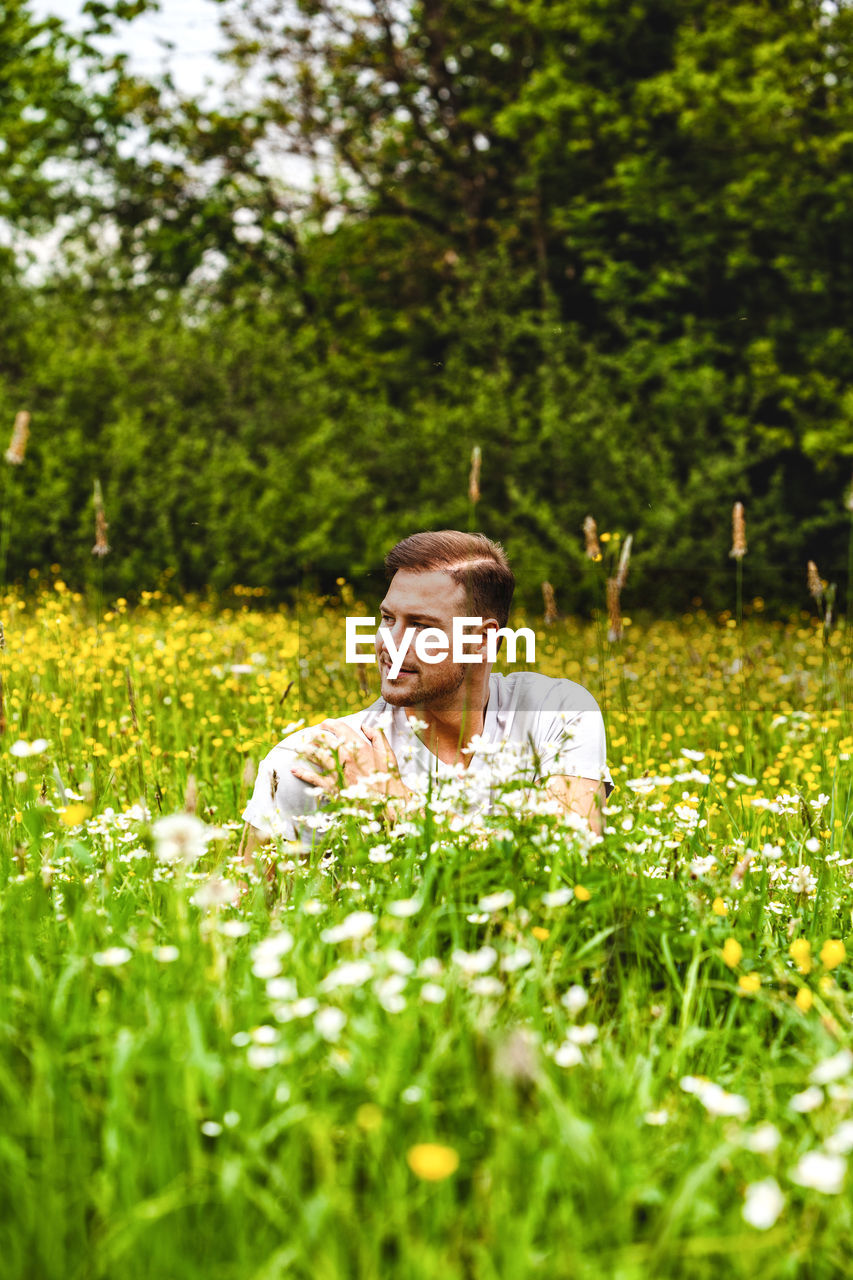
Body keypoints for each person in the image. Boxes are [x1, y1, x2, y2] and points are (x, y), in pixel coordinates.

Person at [240, 530, 612, 863]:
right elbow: (248, 909)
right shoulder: (318, 761)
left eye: (420, 625)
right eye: (388, 619)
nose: (390, 644)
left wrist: (394, 804)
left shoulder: (557, 712)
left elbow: (573, 857)